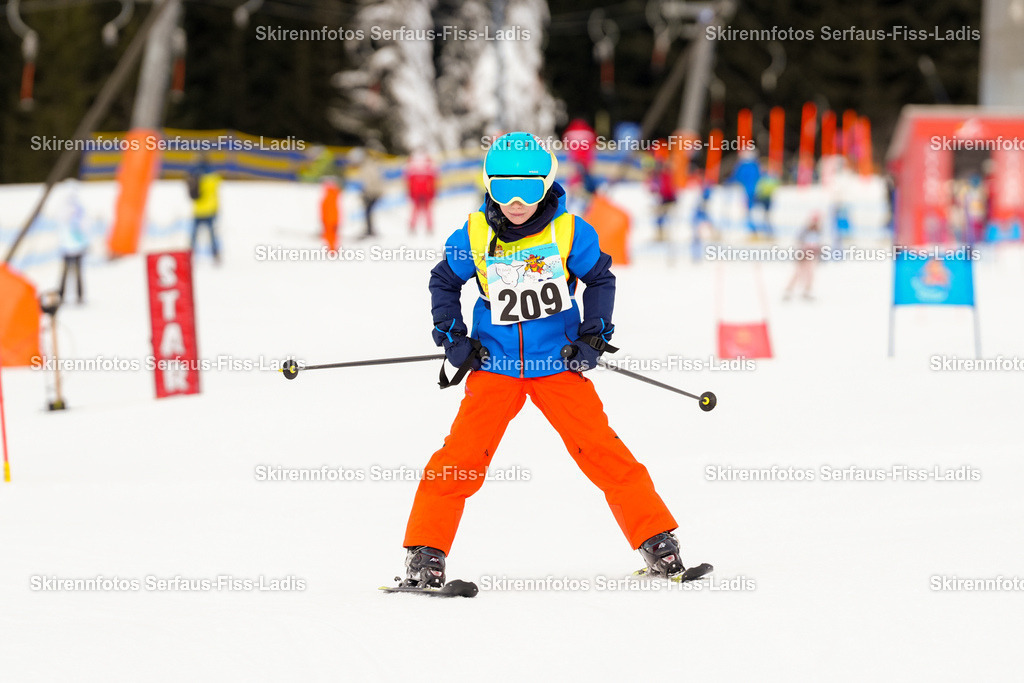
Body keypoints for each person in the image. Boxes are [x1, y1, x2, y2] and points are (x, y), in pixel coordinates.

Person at [401, 132, 688, 588]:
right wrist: (453, 336)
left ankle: (658, 542)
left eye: (529, 190)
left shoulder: (569, 231)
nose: (516, 202)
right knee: (459, 458)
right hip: (494, 368)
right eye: (503, 189)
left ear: (548, 184)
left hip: (558, 367)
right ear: (488, 185)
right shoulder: (474, 233)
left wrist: (594, 336)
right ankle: (425, 554)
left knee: (603, 451)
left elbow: (599, 281)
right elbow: (443, 282)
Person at [56, 179, 88, 304]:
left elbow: (85, 225)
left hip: (76, 245)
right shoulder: (64, 208)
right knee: (66, 273)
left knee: (76, 273)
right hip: (69, 245)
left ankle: (79, 296)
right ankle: (62, 295)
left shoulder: (80, 208)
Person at [188, 156, 223, 264]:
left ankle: (190, 256)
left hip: (198, 210)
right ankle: (215, 254)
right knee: (212, 236)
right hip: (210, 210)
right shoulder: (213, 178)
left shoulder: (195, 176)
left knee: (194, 236)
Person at [784, 215, 822, 301]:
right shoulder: (805, 231)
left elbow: (818, 245)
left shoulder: (818, 232)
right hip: (802, 255)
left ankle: (807, 291)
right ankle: (789, 291)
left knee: (810, 274)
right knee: (798, 274)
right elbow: (798, 242)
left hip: (811, 256)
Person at [349, 147, 383, 239]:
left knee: (368, 211)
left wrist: (368, 193)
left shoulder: (368, 166)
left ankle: (369, 230)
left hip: (373, 192)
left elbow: (372, 181)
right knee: (367, 211)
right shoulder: (366, 165)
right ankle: (369, 229)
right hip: (372, 192)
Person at [405, 151, 437, 234]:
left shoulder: (412, 166)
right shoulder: (429, 166)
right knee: (426, 211)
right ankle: (428, 227)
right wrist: (433, 192)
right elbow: (433, 181)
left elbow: (408, 182)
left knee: (416, 211)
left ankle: (413, 226)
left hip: (417, 192)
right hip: (426, 192)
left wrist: (410, 192)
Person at [320, 177, 342, 252]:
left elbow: (324, 208)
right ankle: (333, 248)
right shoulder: (335, 194)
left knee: (330, 235)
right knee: (334, 235)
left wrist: (323, 218)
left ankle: (332, 249)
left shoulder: (328, 196)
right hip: (335, 218)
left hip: (329, 219)